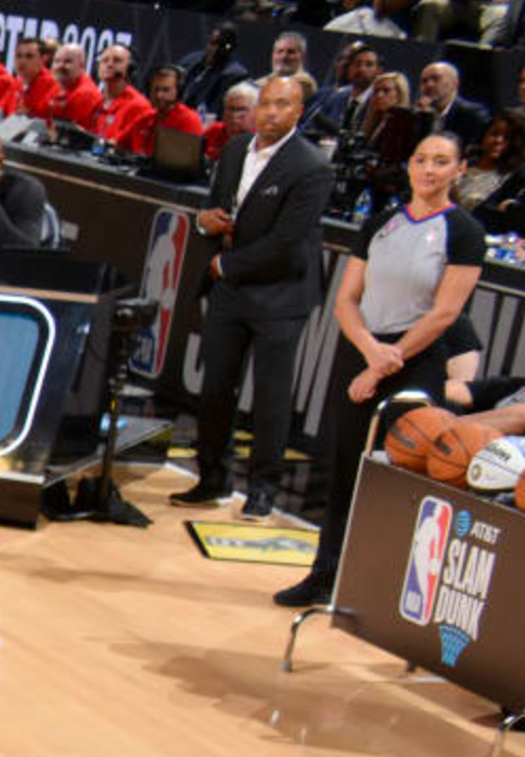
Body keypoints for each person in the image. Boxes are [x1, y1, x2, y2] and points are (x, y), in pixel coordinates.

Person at [280, 130, 487, 606]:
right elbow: (347, 299)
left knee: (400, 471)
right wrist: (370, 351)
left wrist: (385, 363)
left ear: (458, 170)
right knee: (344, 465)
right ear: (409, 166)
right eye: (421, 159)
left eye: (441, 161)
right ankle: (324, 573)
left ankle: (388, 586)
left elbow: (444, 313)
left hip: (416, 361)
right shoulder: (381, 223)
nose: (429, 169)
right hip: (364, 348)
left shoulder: (464, 231)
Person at [170, 73, 332, 522]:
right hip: (231, 291)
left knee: (270, 398)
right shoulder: (236, 149)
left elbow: (286, 240)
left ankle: (262, 491)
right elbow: (214, 209)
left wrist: (226, 265)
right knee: (217, 386)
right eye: (265, 103)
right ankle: (212, 477)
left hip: (281, 294)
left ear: (298, 112)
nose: (271, 112)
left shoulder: (312, 166)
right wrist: (205, 223)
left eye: (283, 105)